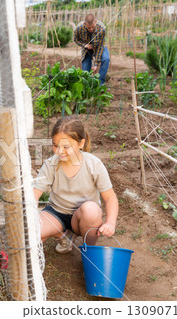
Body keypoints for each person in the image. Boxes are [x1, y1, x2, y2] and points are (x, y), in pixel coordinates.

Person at [33, 116, 118, 254]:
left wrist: (110, 223)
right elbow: (35, 193)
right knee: (32, 232)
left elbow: (110, 197)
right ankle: (64, 235)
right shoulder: (51, 164)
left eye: (66, 147)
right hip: (56, 213)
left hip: (82, 217)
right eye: (55, 145)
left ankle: (89, 255)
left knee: (91, 210)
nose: (60, 151)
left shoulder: (93, 164)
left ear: (81, 143)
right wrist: (32, 216)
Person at [74, 14, 110, 85]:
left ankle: (100, 83)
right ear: (84, 24)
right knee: (85, 70)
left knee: (106, 59)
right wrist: (85, 45)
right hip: (87, 49)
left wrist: (96, 64)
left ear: (95, 22)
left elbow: (100, 47)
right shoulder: (78, 28)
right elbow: (76, 39)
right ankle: (87, 86)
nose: (91, 29)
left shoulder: (102, 28)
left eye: (92, 27)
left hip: (99, 46)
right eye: (88, 27)